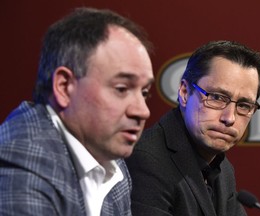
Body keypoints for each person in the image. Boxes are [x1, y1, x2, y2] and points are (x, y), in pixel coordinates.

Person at [0, 7, 154, 216]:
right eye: (121, 89)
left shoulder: (111, 161)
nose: (142, 111)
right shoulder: (21, 161)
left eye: (144, 93)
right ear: (64, 87)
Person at [125, 40, 260, 216]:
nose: (229, 118)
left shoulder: (223, 169)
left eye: (244, 105)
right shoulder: (146, 161)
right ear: (184, 93)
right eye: (217, 97)